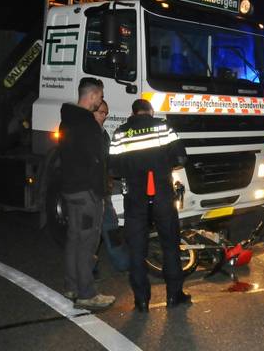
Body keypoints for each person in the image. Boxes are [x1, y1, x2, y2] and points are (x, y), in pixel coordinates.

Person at [109, 99, 189, 312]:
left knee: (137, 249)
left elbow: (113, 169)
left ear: (133, 113)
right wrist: (163, 165)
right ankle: (174, 296)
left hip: (135, 198)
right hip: (162, 195)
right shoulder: (163, 126)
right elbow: (181, 157)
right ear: (150, 112)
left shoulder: (120, 133)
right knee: (170, 245)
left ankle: (141, 301)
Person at [59, 77, 115, 310]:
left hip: (70, 190)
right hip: (87, 194)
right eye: (100, 97)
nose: (100, 101)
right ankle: (86, 294)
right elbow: (97, 160)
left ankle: (72, 286)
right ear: (92, 96)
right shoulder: (88, 125)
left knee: (74, 240)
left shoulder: (67, 120)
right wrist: (99, 190)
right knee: (87, 244)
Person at [93, 100, 129, 273]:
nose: (104, 116)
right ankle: (89, 270)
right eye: (101, 112)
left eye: (106, 113)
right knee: (91, 233)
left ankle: (122, 264)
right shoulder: (87, 133)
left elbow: (107, 160)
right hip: (90, 192)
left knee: (110, 226)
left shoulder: (102, 133)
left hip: (103, 191)